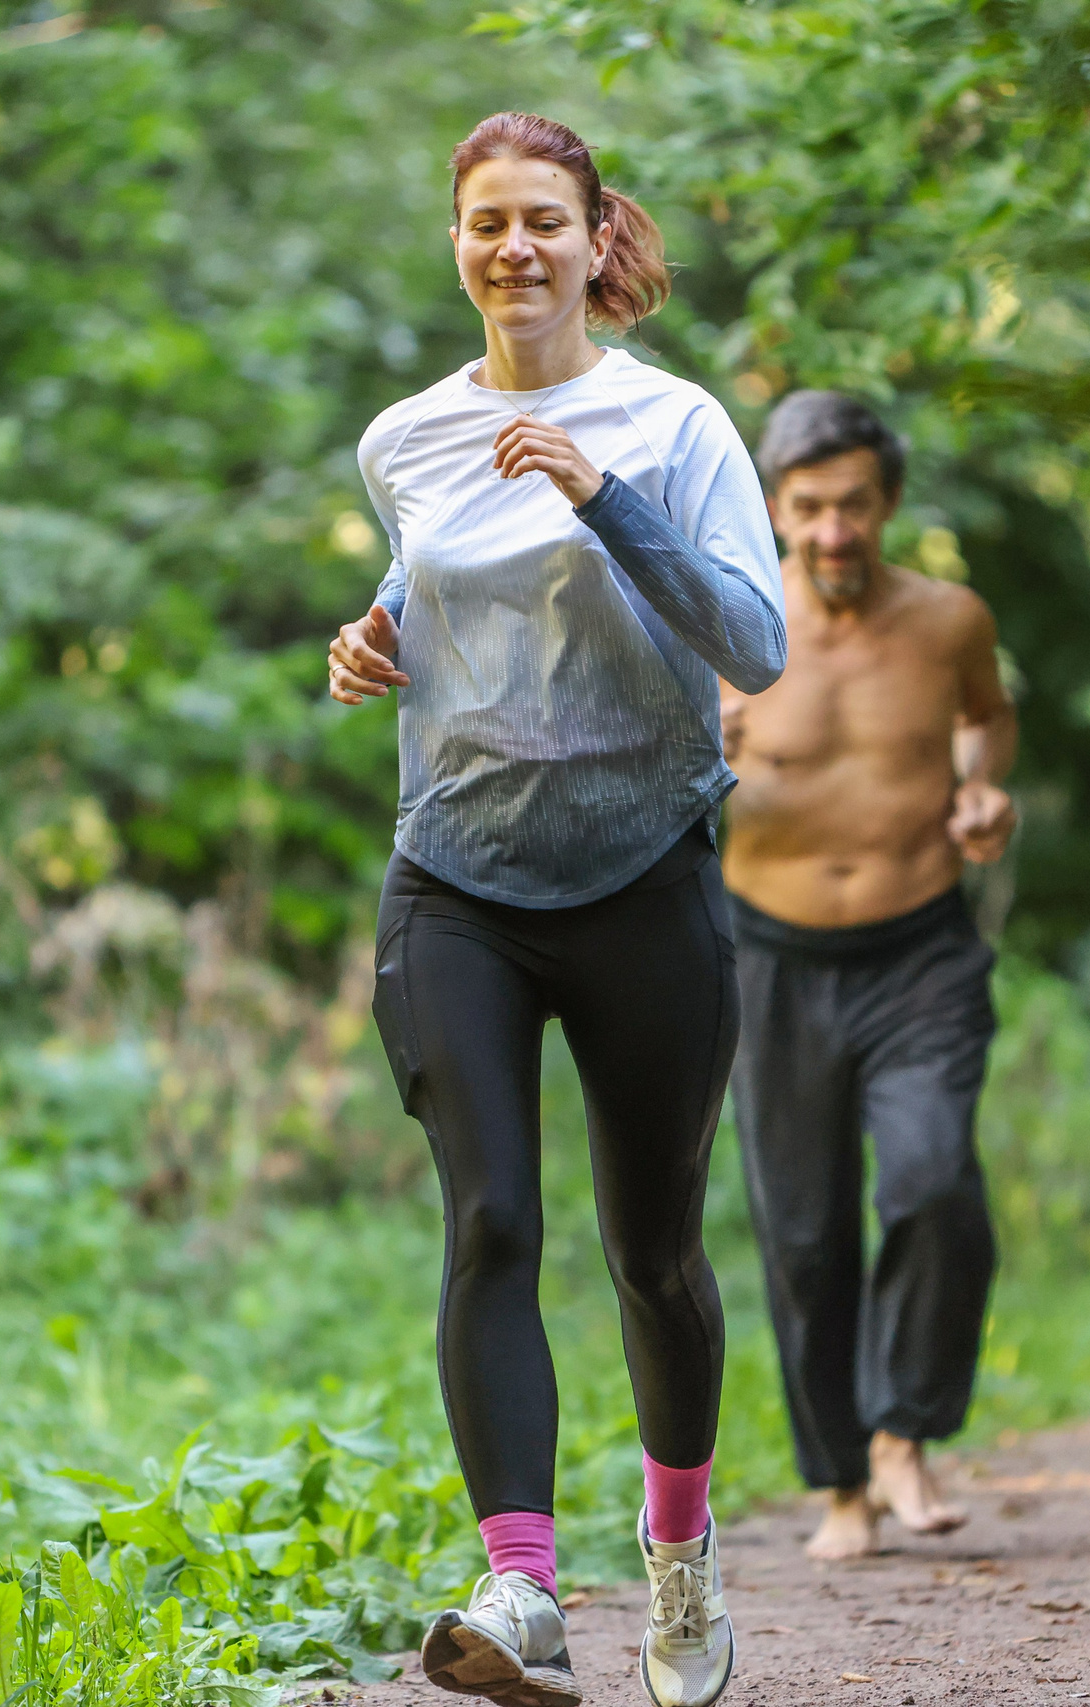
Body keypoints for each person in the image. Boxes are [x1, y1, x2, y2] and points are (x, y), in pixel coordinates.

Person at [326, 112, 784, 1707]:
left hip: (643, 870)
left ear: (597, 240)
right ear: (454, 242)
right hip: (456, 873)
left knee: (652, 1251)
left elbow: (756, 646)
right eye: (483, 223)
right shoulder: (405, 437)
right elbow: (430, 583)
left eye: (542, 221)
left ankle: (678, 1559)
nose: (512, 248)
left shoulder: (675, 425)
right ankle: (522, 1587)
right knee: (490, 1220)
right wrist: (370, 639)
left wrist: (604, 493)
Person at [719, 391, 1018, 1562]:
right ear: (776, 509)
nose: (833, 531)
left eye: (853, 506)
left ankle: (904, 1430)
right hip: (770, 960)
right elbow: (645, 775)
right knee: (801, 1234)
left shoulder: (948, 621)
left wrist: (982, 786)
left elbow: (984, 721)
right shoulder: (728, 627)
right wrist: (704, 752)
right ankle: (840, 1484)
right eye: (808, 510)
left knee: (934, 1184)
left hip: (918, 950)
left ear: (886, 502)